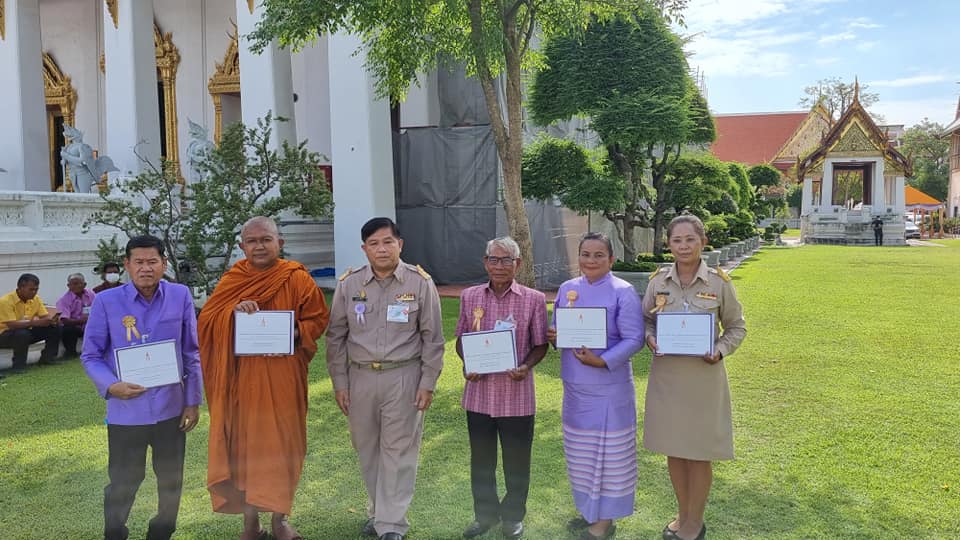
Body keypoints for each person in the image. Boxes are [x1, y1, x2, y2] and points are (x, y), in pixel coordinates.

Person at [198, 216, 330, 540]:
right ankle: (250, 522)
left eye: (265, 240)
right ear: (242, 246)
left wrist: (292, 334)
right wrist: (232, 313)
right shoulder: (233, 279)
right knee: (245, 450)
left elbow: (317, 318)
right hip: (242, 382)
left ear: (279, 244)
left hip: (283, 378)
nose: (259, 246)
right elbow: (207, 320)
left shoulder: (296, 277)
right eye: (252, 241)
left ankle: (280, 520)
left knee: (284, 446)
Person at [326, 217, 444, 540]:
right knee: (368, 449)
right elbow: (335, 337)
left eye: (388, 242)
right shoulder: (349, 285)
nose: (381, 249)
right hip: (360, 378)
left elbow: (433, 338)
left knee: (399, 451)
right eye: (374, 243)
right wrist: (340, 382)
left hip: (404, 376)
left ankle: (392, 524)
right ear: (364, 249)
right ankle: (379, 512)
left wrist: (427, 382)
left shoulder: (420, 284)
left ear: (400, 245)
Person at [80, 235, 203, 540]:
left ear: (164, 263)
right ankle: (115, 533)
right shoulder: (107, 302)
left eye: (152, 262)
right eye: (139, 262)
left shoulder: (180, 295)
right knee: (123, 482)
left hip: (171, 410)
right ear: (127, 265)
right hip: (126, 412)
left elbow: (191, 352)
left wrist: (192, 401)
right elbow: (91, 355)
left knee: (171, 482)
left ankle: (161, 533)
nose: (146, 268)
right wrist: (112, 386)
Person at [643, 215, 746, 540]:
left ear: (703, 241)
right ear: (668, 244)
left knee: (698, 453)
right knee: (675, 449)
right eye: (677, 240)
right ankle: (683, 513)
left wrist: (719, 350)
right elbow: (646, 321)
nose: (684, 246)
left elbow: (736, 327)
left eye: (690, 239)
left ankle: (694, 522)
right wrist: (651, 339)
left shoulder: (719, 283)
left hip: (703, 379)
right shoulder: (657, 281)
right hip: (668, 379)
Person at [547, 232, 644, 540]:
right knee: (581, 454)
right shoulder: (567, 288)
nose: (591, 260)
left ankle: (604, 523)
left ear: (611, 259)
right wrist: (554, 335)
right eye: (585, 254)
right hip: (575, 388)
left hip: (609, 389)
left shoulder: (623, 291)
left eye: (598, 255)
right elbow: (558, 327)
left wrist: (603, 361)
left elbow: (634, 338)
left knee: (609, 457)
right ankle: (589, 511)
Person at [455, 237, 548, 540]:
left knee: (516, 462)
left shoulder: (533, 299)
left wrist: (526, 367)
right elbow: (461, 339)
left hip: (516, 396)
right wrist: (468, 364)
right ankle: (484, 515)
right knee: (481, 461)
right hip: (479, 395)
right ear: (485, 262)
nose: (498, 266)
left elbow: (540, 344)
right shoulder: (470, 296)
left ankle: (513, 518)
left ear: (517, 264)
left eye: (505, 260)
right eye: (493, 259)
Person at [0, 273, 64, 374]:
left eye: (36, 289)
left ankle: (47, 359)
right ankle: (18, 367)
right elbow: (11, 325)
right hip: (4, 335)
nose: (34, 292)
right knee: (22, 334)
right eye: (31, 289)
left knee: (54, 328)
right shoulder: (5, 301)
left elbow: (44, 316)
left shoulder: (36, 299)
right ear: (20, 287)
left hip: (26, 332)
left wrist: (51, 320)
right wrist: (36, 323)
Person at [56, 272, 96, 357]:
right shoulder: (63, 300)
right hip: (75, 326)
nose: (76, 286)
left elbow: (99, 308)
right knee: (68, 329)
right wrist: (81, 321)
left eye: (78, 284)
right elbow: (64, 320)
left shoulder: (91, 294)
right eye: (73, 284)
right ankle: (70, 353)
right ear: (68, 285)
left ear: (84, 284)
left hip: (90, 324)